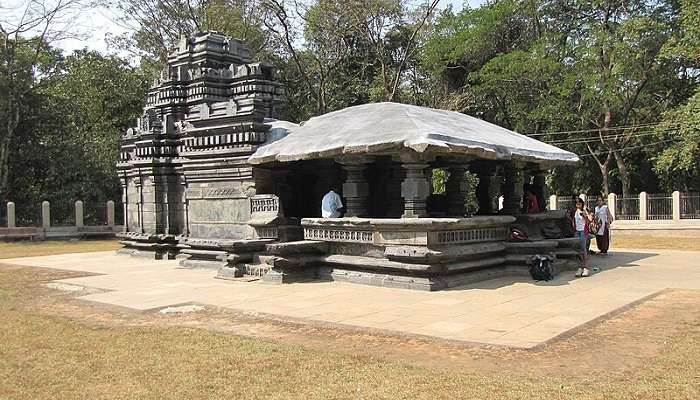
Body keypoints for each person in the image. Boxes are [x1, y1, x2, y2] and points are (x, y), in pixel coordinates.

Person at [573, 197, 593, 277]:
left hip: (583, 231)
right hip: (577, 231)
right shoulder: (576, 211)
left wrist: (585, 216)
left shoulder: (584, 211)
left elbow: (589, 221)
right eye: (577, 204)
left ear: (582, 204)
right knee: (577, 248)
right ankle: (580, 266)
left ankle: (585, 267)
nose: (578, 205)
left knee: (583, 249)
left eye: (579, 204)